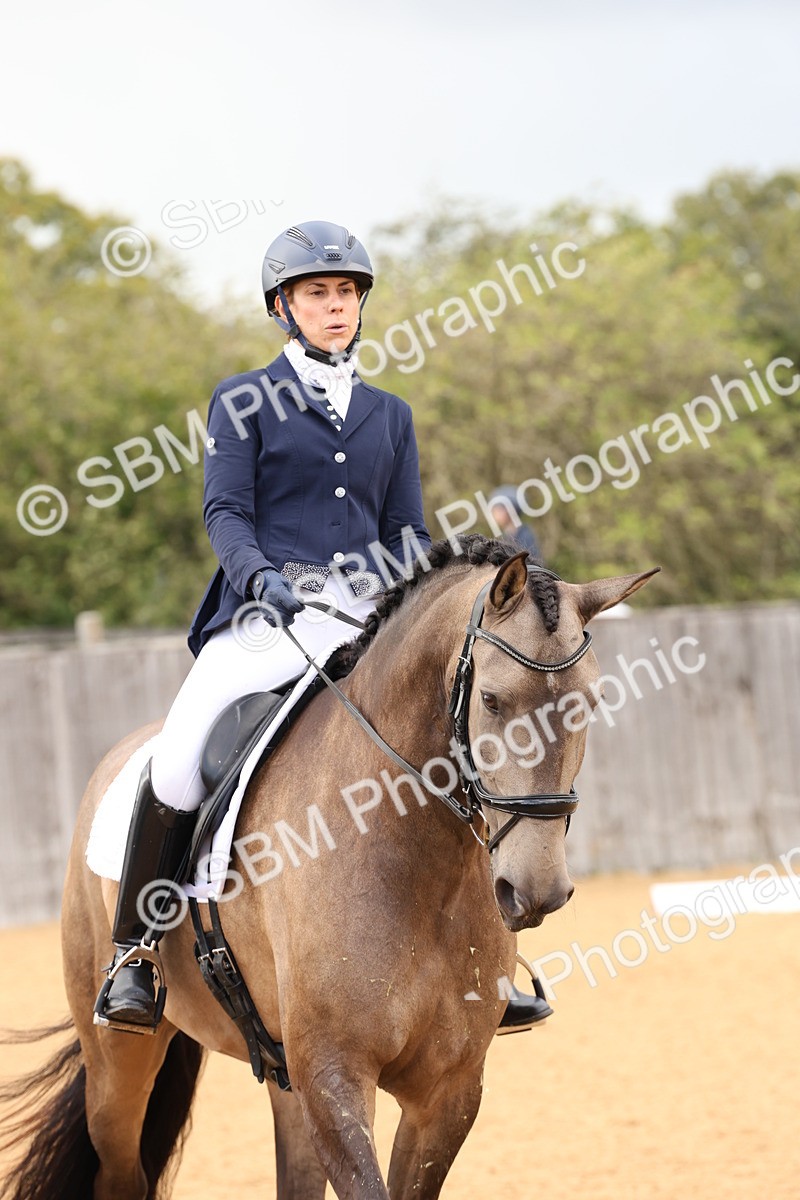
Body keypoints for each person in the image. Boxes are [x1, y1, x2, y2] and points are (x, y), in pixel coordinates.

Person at [94, 220, 549, 1034]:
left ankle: (487, 957)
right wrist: (260, 579)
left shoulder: (389, 413)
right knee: (180, 753)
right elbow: (226, 512)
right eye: (317, 294)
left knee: (450, 739)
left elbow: (407, 530)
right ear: (283, 307)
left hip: (370, 618)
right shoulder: (243, 399)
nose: (335, 307)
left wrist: (430, 591)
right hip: (267, 616)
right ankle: (134, 951)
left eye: (346, 293)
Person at [488, 486, 542, 560]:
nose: (494, 514)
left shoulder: (525, 535)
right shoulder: (506, 536)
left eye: (498, 510)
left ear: (510, 510)